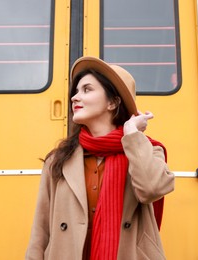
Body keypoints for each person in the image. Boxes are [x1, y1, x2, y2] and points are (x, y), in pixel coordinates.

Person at [25, 56, 174, 260]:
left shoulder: (147, 150)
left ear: (113, 102)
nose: (74, 97)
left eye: (86, 90)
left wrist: (132, 134)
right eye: (76, 91)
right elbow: (40, 231)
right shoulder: (59, 159)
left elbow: (151, 189)